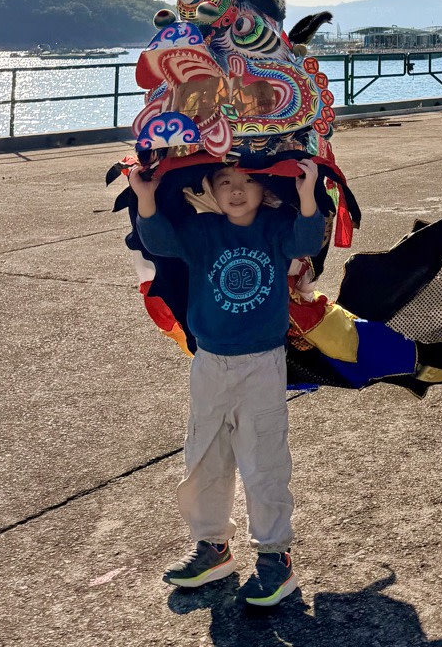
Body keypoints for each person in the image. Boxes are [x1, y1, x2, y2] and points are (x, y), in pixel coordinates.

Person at [127, 158, 325, 606]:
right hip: (210, 363)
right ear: (209, 191)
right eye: (225, 182)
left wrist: (309, 190)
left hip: (263, 363)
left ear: (265, 188)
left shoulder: (276, 227)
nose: (237, 190)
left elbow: (307, 238)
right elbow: (158, 241)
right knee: (204, 456)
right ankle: (212, 546)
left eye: (248, 181)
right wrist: (144, 196)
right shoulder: (202, 232)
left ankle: (276, 557)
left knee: (264, 460)